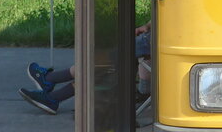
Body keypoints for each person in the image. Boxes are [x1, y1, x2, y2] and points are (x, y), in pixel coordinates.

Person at [19, 23, 151, 115]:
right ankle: (51, 88)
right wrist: (148, 26)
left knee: (104, 61)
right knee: (105, 63)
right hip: (152, 44)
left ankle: (51, 86)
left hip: (152, 47)